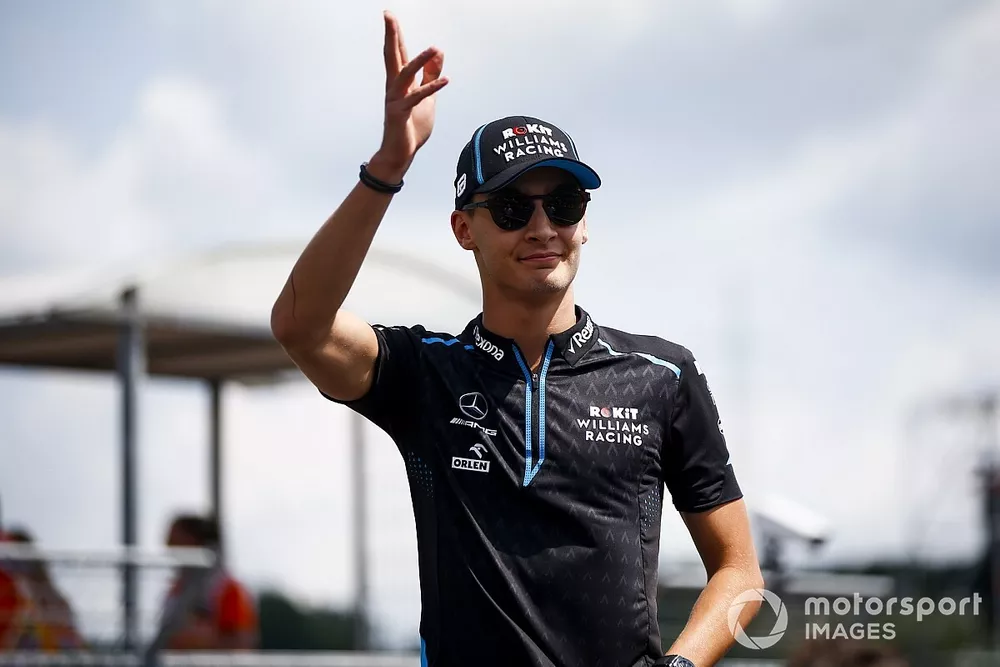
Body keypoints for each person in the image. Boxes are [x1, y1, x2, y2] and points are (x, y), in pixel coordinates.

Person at [270, 11, 764, 667]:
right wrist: (390, 164)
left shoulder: (663, 375)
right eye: (511, 208)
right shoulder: (425, 374)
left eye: (563, 205)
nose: (541, 227)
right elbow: (300, 325)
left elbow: (740, 573)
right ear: (463, 228)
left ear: (584, 224)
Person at [159, 514, 258, 651]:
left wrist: (191, 640)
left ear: (195, 541)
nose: (167, 546)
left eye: (175, 541)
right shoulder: (176, 589)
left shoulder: (227, 589)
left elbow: (241, 645)